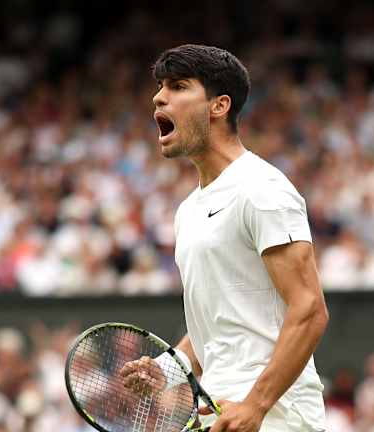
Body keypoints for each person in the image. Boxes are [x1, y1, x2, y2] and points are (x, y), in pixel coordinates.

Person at [120, 44, 329, 432]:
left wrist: (256, 404)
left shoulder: (262, 188)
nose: (159, 97)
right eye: (161, 87)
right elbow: (218, 327)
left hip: (278, 415)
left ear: (219, 106)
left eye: (178, 86)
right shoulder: (188, 211)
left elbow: (310, 309)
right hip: (221, 410)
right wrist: (166, 369)